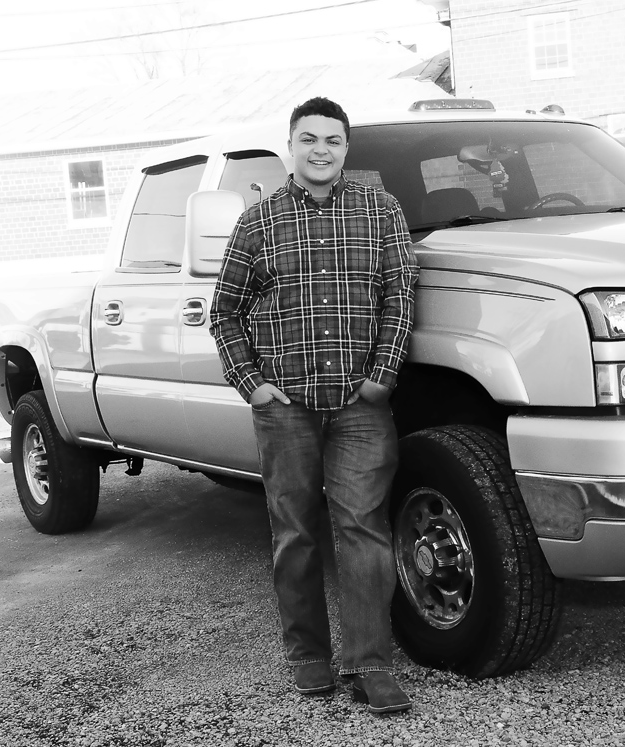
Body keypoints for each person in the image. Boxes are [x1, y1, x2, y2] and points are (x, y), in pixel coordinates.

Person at [209, 97, 419, 714]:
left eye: (332, 139)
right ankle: (307, 656)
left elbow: (400, 297)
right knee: (295, 533)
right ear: (291, 146)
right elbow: (224, 311)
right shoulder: (258, 222)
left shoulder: (380, 210)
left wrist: (382, 377)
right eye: (309, 139)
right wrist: (252, 385)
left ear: (346, 148)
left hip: (360, 404)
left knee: (363, 530)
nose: (320, 150)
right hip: (286, 407)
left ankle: (371, 664)